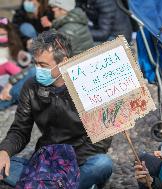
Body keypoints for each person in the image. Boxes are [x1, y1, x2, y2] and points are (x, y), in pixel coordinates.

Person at [0, 30, 112, 189]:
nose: (38, 69)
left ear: (63, 62)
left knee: (102, 164)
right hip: (46, 160)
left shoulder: (88, 84)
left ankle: (49, 183)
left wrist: (65, 164)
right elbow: (20, 130)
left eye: (43, 65)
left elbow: (102, 138)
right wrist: (4, 151)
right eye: (36, 63)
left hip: (79, 160)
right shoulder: (31, 86)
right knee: (6, 165)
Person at [0, 17, 35, 110]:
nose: (2, 37)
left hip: (10, 76)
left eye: (3, 34)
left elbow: (20, 60)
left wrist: (22, 57)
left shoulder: (14, 43)